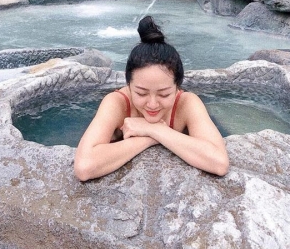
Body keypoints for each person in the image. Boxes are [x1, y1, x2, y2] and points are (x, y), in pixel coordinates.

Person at [74, 16, 229, 181]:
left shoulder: (187, 103)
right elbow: (84, 167)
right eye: (141, 93)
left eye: (164, 94)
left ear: (177, 87)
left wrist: (154, 130)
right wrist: (150, 138)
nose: (153, 104)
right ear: (128, 85)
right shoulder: (117, 103)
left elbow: (219, 163)